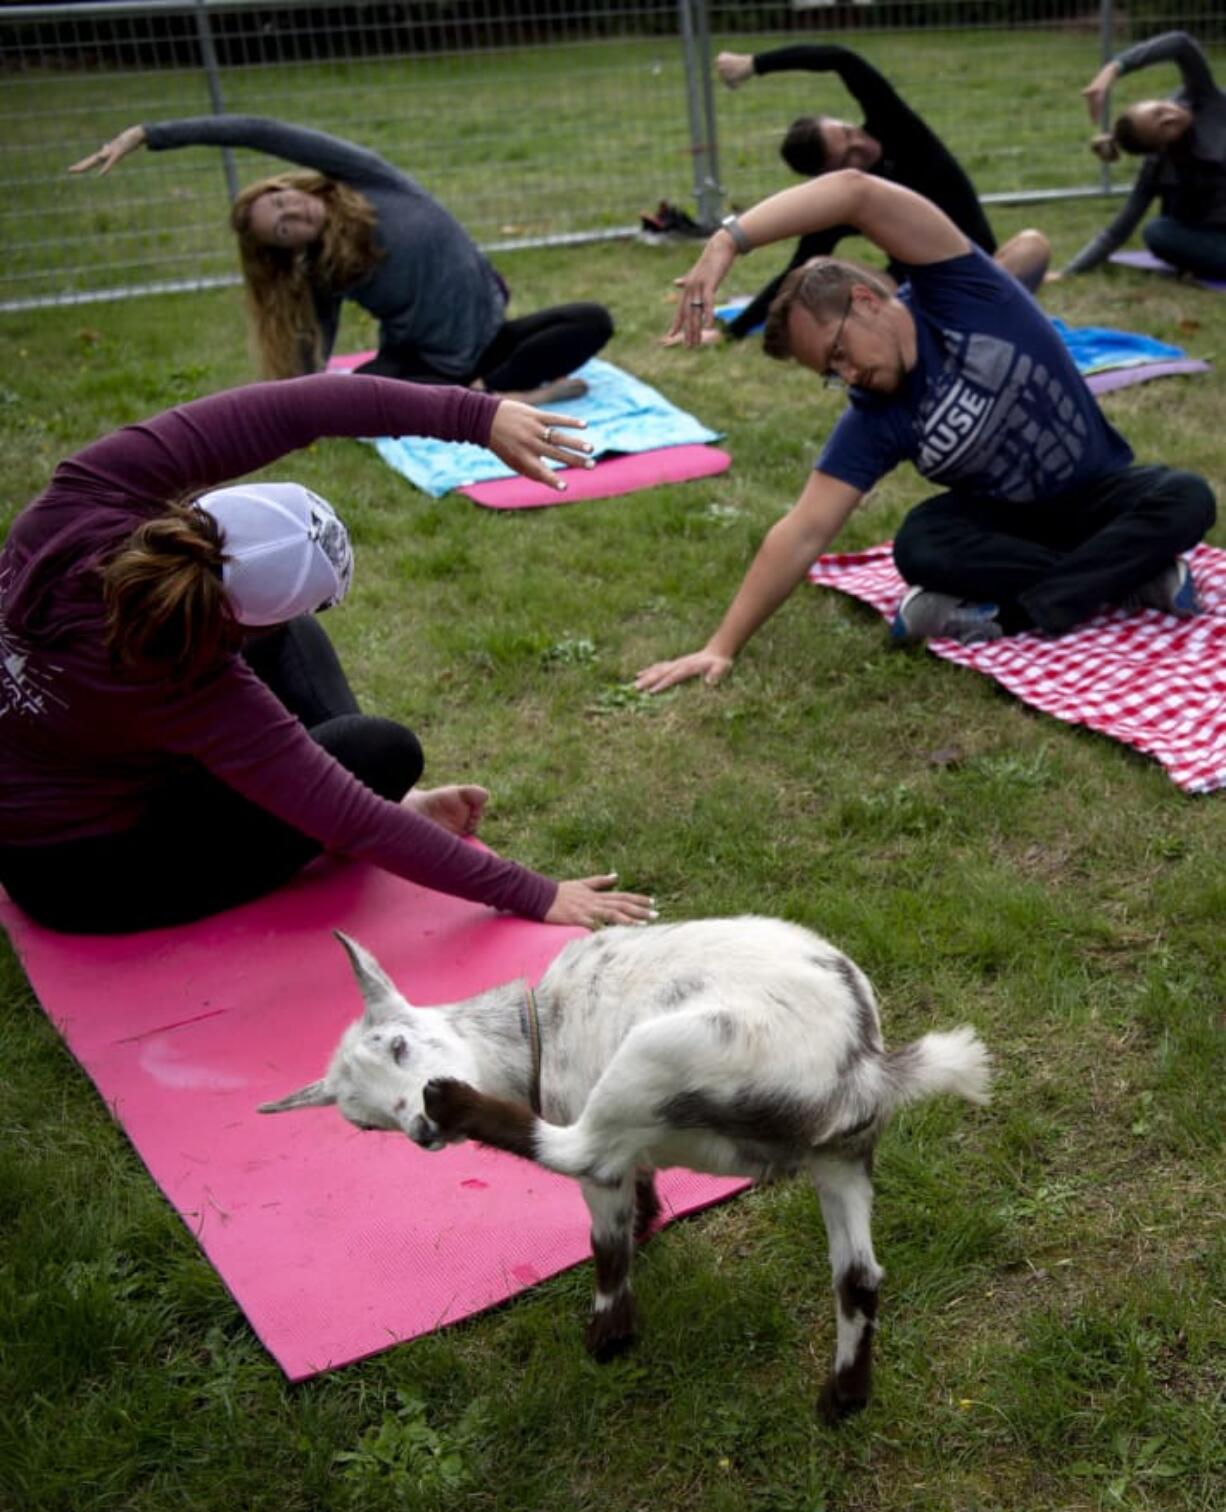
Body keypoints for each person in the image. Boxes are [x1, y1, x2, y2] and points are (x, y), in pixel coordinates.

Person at [0, 373, 654, 934]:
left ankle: (373, 781)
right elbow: (356, 821)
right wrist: (536, 893)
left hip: (78, 758)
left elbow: (299, 407)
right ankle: (385, 785)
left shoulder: (86, 495)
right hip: (83, 873)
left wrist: (479, 416)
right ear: (237, 620)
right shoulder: (195, 691)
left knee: (302, 653)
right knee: (380, 753)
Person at [636, 171, 1215, 694]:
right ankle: (1131, 574)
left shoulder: (959, 290)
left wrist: (726, 240)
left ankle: (1020, 612)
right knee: (921, 544)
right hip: (1009, 527)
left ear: (865, 301)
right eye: (829, 374)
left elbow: (855, 192)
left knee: (1186, 497)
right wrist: (720, 647)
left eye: (838, 353)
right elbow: (803, 531)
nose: (847, 375)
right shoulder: (873, 413)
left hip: (1099, 494)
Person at [71, 118, 613, 398]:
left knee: (593, 320)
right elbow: (319, 345)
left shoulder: (367, 179)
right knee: (354, 397)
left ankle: (496, 394)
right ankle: (506, 397)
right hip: (429, 364)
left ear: (290, 186)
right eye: (281, 228)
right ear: (288, 248)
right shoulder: (324, 273)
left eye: (283, 200)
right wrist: (304, 395)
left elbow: (262, 132)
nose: (292, 214)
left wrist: (150, 135)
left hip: (492, 340)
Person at [707, 44, 1049, 342]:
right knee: (816, 268)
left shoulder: (894, 125)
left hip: (983, 272)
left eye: (848, 131)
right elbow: (791, 272)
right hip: (918, 295)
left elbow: (842, 59)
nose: (862, 144)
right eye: (849, 156)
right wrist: (732, 333)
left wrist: (754, 64)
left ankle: (970, 323)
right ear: (831, 173)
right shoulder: (845, 201)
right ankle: (956, 326)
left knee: (1032, 245)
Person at [1067, 32, 1226, 280]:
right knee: (1158, 232)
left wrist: (1112, 70)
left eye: (1160, 110)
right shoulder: (1157, 169)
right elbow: (1116, 232)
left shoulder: (1202, 100)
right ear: (1161, 148)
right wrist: (1068, 273)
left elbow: (1180, 44)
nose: (1171, 116)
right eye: (1164, 127)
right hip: (1212, 232)